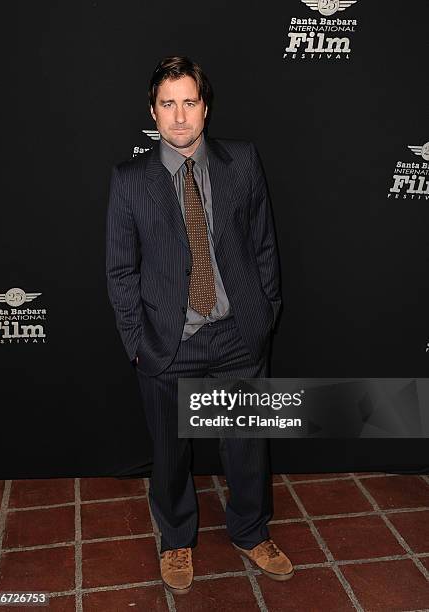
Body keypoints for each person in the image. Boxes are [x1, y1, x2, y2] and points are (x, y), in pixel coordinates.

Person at [106, 55, 294, 595]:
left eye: (189, 102)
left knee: (247, 446)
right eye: (168, 104)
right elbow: (121, 269)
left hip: (239, 335)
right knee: (169, 452)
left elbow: (264, 245)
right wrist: (137, 342)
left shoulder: (243, 162)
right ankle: (177, 539)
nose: (180, 115)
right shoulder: (130, 180)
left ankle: (251, 531)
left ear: (205, 109)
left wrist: (266, 313)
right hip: (168, 342)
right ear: (153, 111)